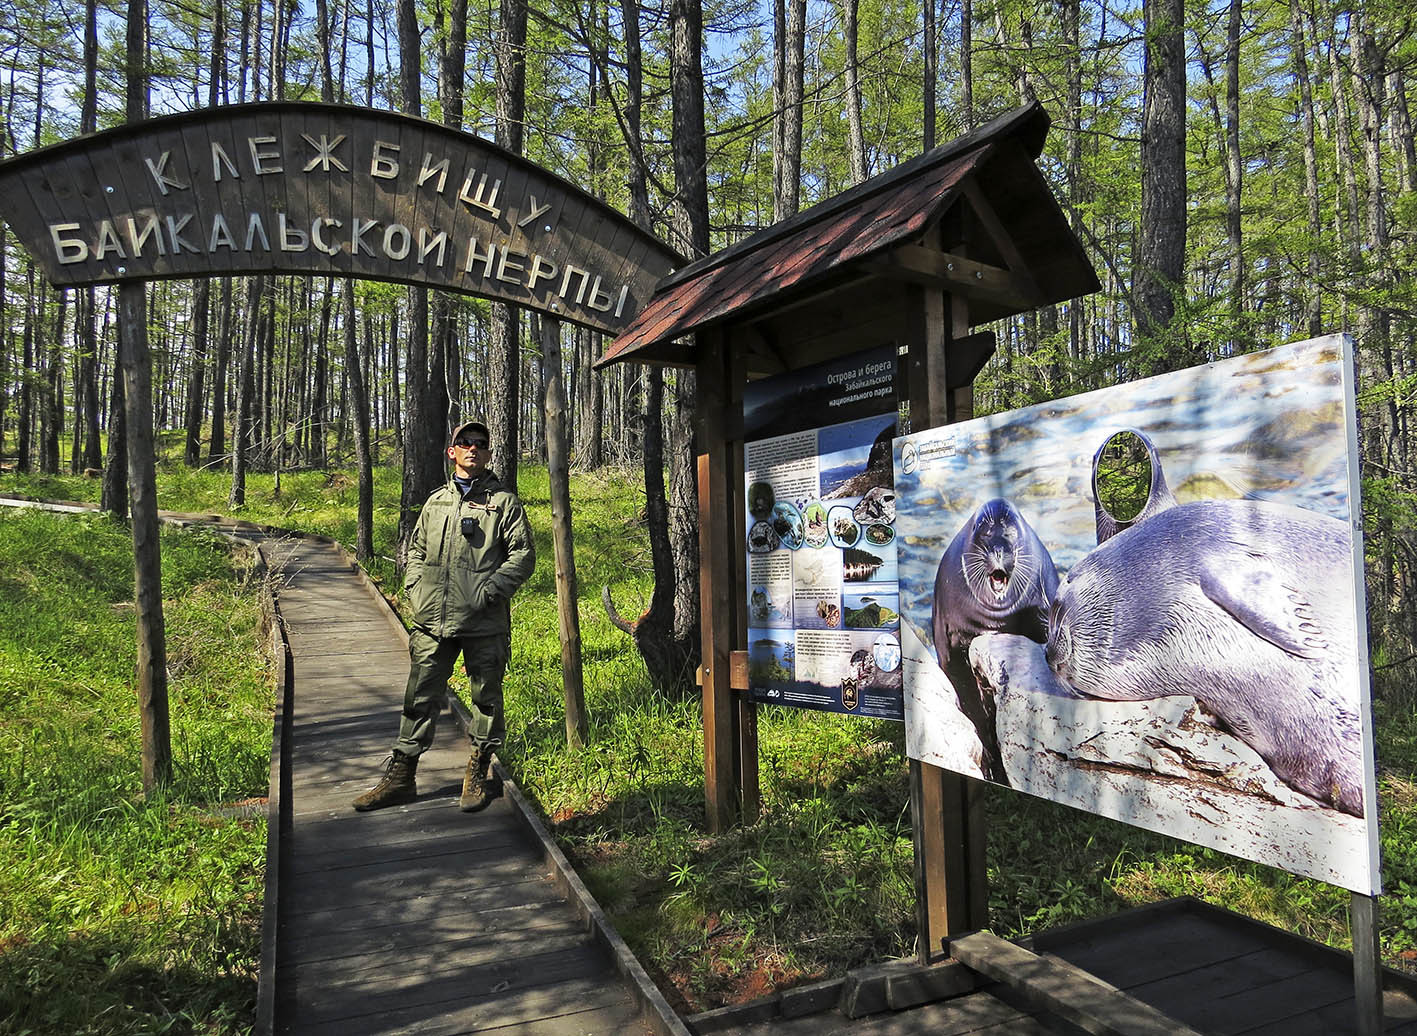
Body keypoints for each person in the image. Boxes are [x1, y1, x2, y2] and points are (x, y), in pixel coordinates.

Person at [353, 419, 536, 813]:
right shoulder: (436, 502)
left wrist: (489, 590)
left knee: (486, 698)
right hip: (432, 621)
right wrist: (416, 589)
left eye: (480, 444)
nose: (473, 448)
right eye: (464, 442)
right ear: (451, 452)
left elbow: (523, 556)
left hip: (483, 622)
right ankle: (402, 775)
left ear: (488, 454)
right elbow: (416, 550)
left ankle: (478, 770)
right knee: (420, 696)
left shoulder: (503, 503)